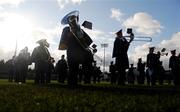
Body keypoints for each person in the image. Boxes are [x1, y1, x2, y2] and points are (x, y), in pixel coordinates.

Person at [58, 11, 94, 86]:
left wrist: (82, 37)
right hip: (72, 52)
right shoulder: (66, 29)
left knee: (87, 68)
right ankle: (72, 84)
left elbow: (88, 42)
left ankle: (87, 82)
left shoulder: (81, 30)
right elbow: (62, 46)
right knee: (73, 70)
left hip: (82, 53)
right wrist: (69, 36)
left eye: (75, 18)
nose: (74, 20)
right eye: (71, 19)